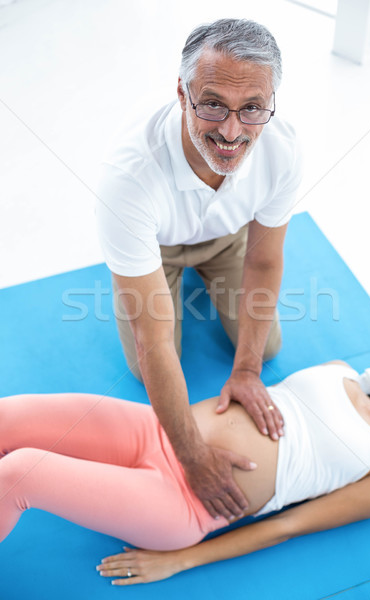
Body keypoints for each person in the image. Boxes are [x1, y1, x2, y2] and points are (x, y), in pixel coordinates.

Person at [95, 18, 302, 521]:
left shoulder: (282, 149)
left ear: (270, 102)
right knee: (152, 368)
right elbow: (155, 342)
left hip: (227, 239)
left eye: (252, 108)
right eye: (213, 104)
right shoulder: (128, 179)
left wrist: (248, 370)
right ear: (183, 95)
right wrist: (192, 457)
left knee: (267, 346)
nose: (232, 131)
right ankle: (130, 268)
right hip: (158, 246)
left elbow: (264, 257)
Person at [1, 358, 370, 586]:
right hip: (156, 430)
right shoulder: (341, 371)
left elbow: (288, 525)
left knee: (18, 474)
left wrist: (181, 560)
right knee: (6, 418)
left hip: (181, 503)